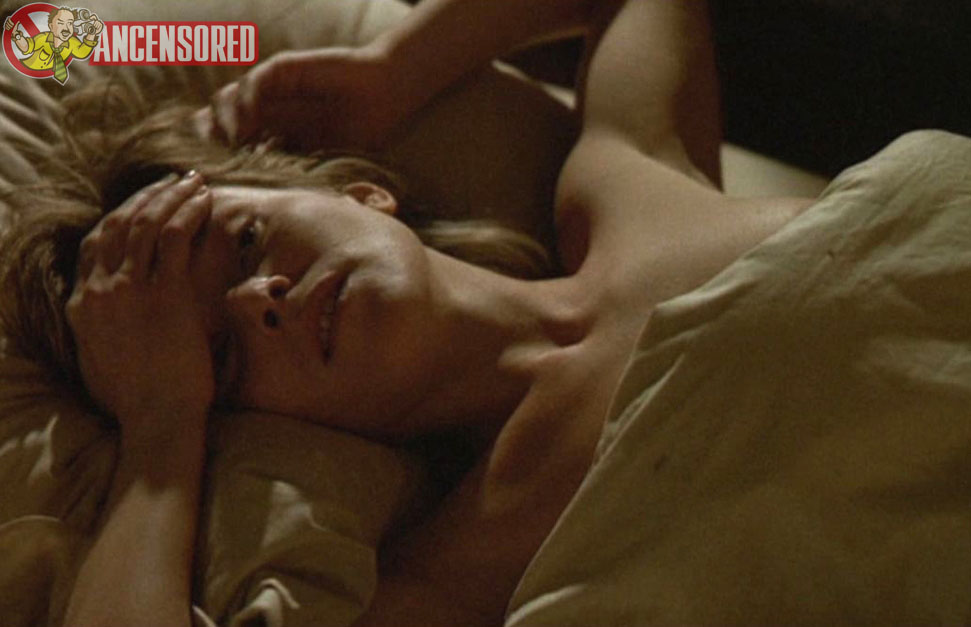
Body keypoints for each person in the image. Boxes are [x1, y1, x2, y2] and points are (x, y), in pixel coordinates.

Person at [0, 0, 819, 625]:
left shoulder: (632, 187)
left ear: (362, 194)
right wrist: (159, 432)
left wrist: (394, 70)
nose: (260, 302)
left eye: (247, 243)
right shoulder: (459, 571)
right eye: (222, 352)